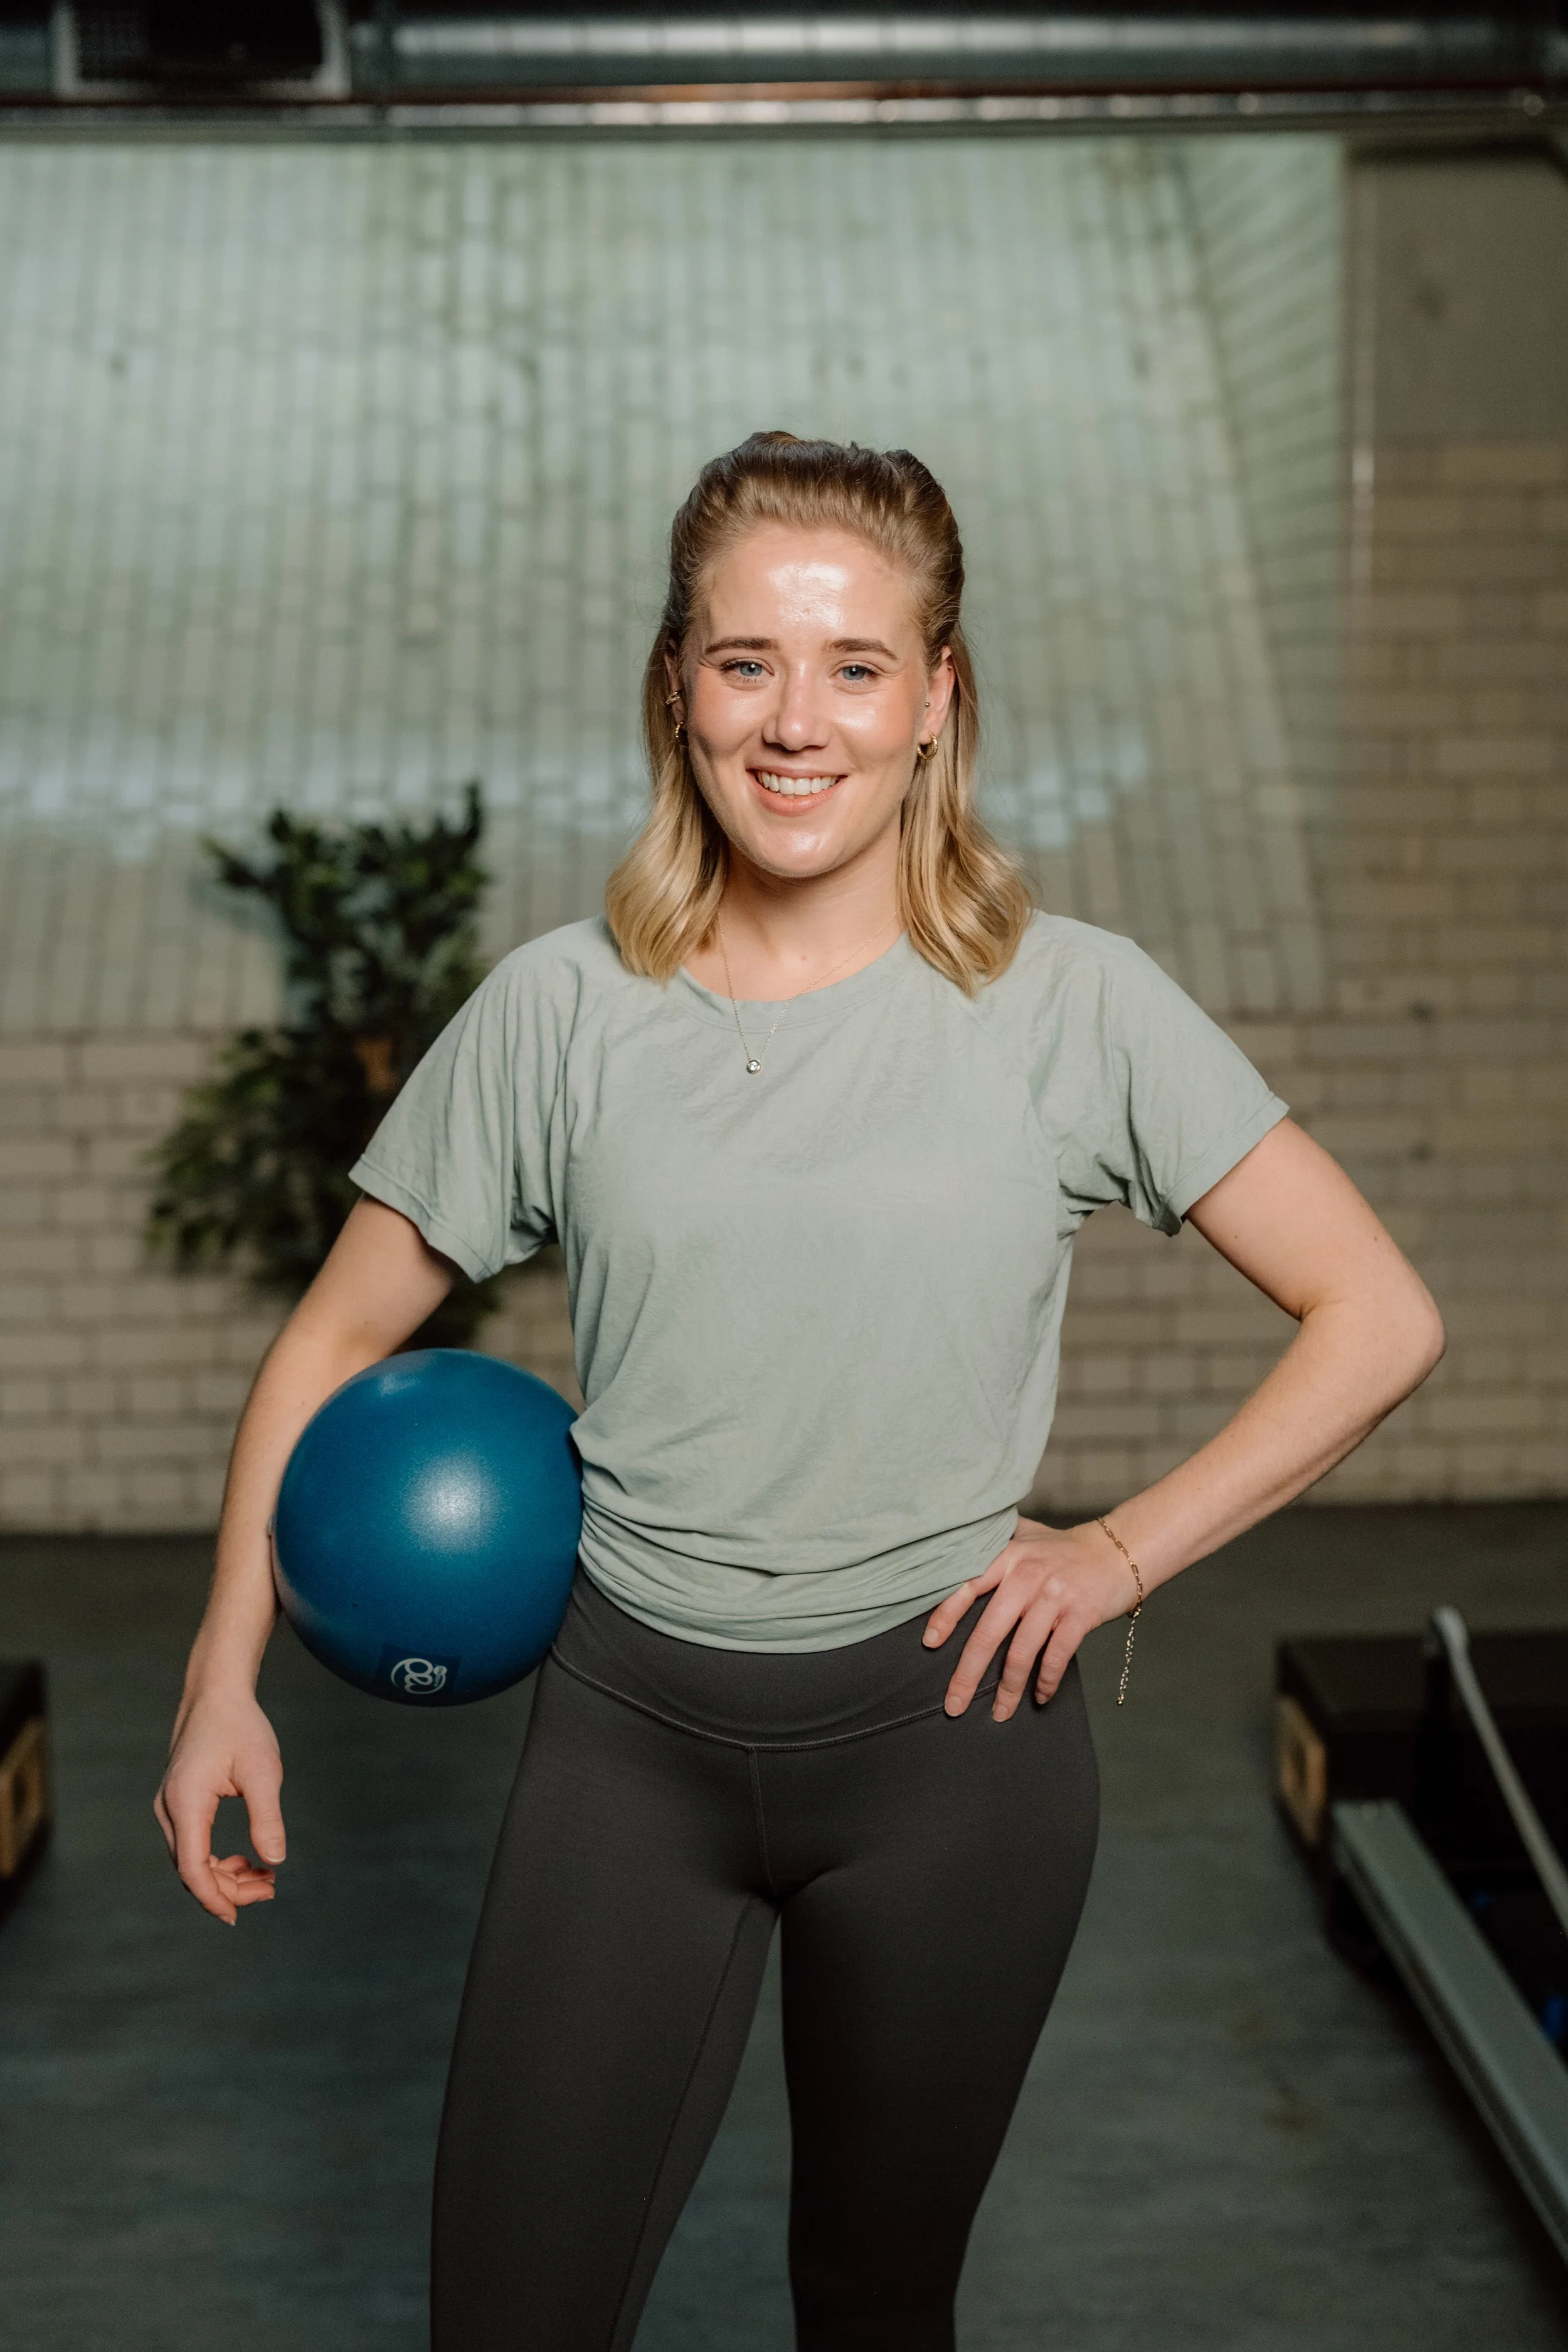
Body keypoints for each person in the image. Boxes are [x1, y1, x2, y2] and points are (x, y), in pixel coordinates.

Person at [156, 433, 1444, 2351]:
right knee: (506, 2315)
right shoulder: (562, 1011)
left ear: (938, 700)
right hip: (629, 1741)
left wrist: (1114, 1551)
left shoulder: (1070, 1003)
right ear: (675, 684)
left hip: (951, 1754)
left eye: (855, 665)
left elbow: (1375, 1310)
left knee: (867, 2302)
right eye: (746, 658)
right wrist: (217, 1679)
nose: (797, 721)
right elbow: (332, 1341)